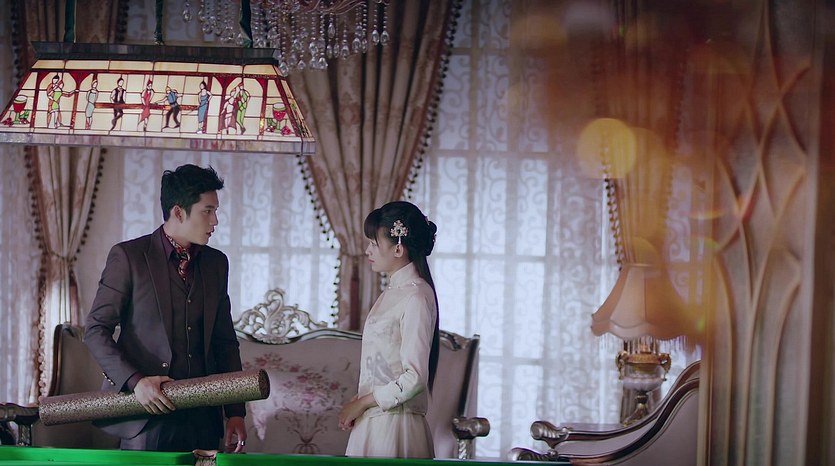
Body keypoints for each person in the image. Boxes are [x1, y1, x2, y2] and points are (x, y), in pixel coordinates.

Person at [84, 164, 247, 453]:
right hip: (147, 417)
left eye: (216, 211)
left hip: (203, 420)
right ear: (179, 212)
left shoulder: (216, 263)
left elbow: (224, 342)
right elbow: (96, 330)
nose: (215, 221)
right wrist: (136, 382)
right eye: (207, 211)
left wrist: (236, 412)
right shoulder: (129, 257)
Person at [338, 201, 440, 458]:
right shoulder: (393, 291)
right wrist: (360, 402)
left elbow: (415, 378)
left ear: (398, 248)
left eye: (374, 243)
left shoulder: (416, 296)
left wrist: (363, 403)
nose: (367, 250)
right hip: (375, 421)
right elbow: (384, 365)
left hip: (396, 427)